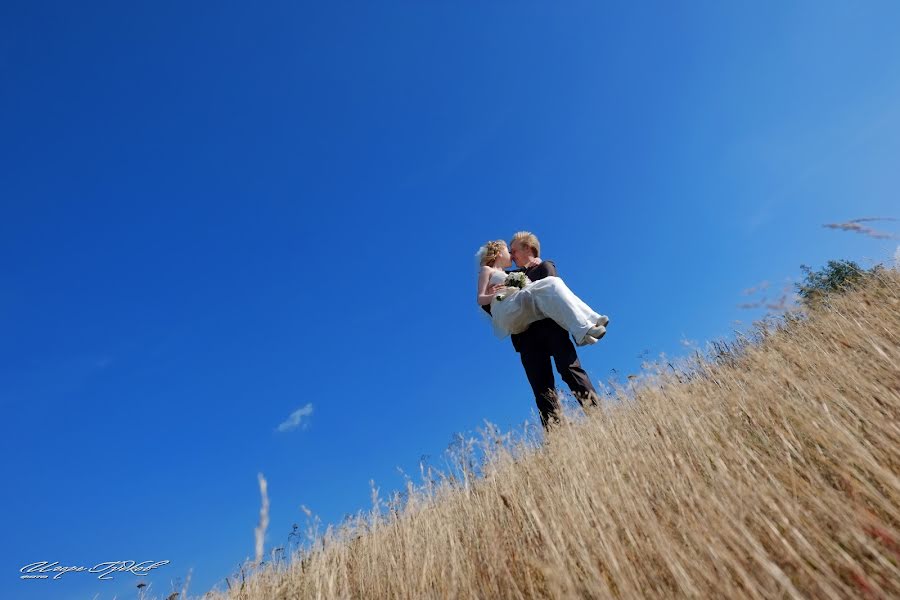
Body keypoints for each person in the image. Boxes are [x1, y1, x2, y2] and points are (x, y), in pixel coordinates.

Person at [476, 232, 608, 429]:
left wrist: (532, 269)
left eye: (514, 251)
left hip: (552, 330)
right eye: (509, 252)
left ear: (527, 248)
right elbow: (490, 302)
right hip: (526, 338)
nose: (512, 256)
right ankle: (557, 438)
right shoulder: (508, 276)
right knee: (542, 388)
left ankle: (599, 417)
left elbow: (556, 297)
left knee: (570, 370)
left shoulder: (545, 266)